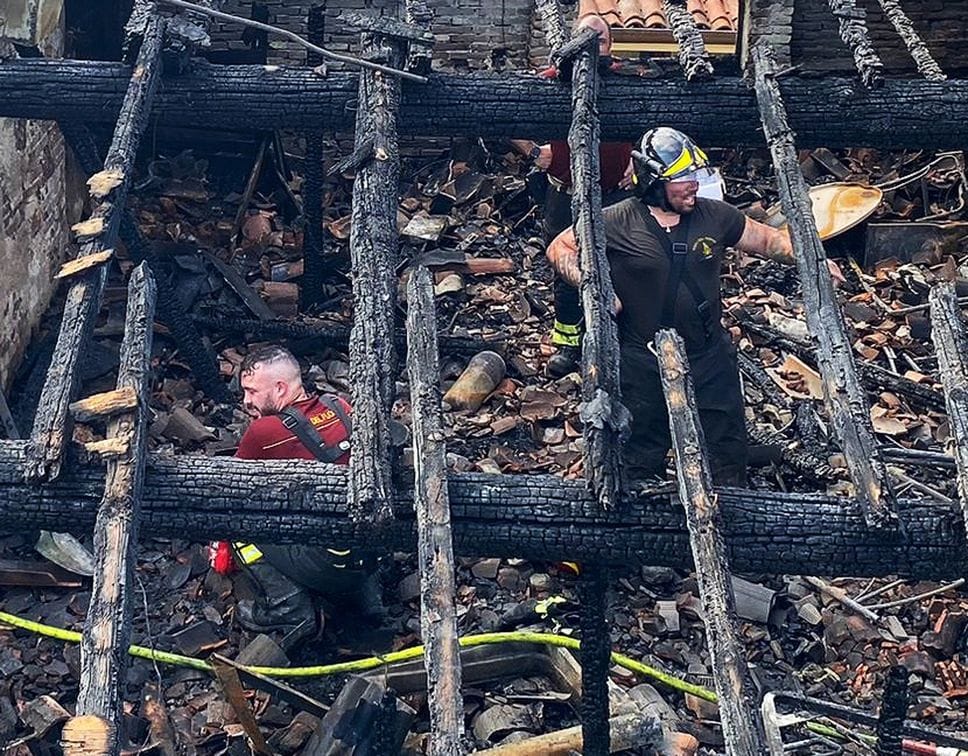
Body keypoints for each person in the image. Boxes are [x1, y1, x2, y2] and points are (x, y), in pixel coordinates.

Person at [547, 127, 843, 486]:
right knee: (639, 452)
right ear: (653, 180)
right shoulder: (615, 220)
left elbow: (769, 239)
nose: (692, 185)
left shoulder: (716, 216)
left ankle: (735, 512)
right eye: (681, 178)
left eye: (694, 176)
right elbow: (560, 248)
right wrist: (593, 284)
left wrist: (812, 260)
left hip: (707, 355)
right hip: (640, 358)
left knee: (725, 445)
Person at [229, 345, 384, 646]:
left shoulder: (265, 432)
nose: (246, 401)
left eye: (251, 391)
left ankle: (287, 607)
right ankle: (367, 599)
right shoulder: (340, 406)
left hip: (328, 564)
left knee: (236, 526)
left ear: (281, 388)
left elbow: (231, 488)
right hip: (372, 555)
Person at [511, 13, 636, 377]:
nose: (596, 46)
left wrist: (639, 162)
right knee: (566, 267)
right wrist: (534, 152)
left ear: (611, 45)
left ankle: (616, 338)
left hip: (615, 196)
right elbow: (500, 110)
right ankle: (568, 342)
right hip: (564, 196)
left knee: (622, 265)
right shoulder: (552, 82)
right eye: (589, 39)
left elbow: (658, 120)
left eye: (601, 39)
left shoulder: (628, 81)